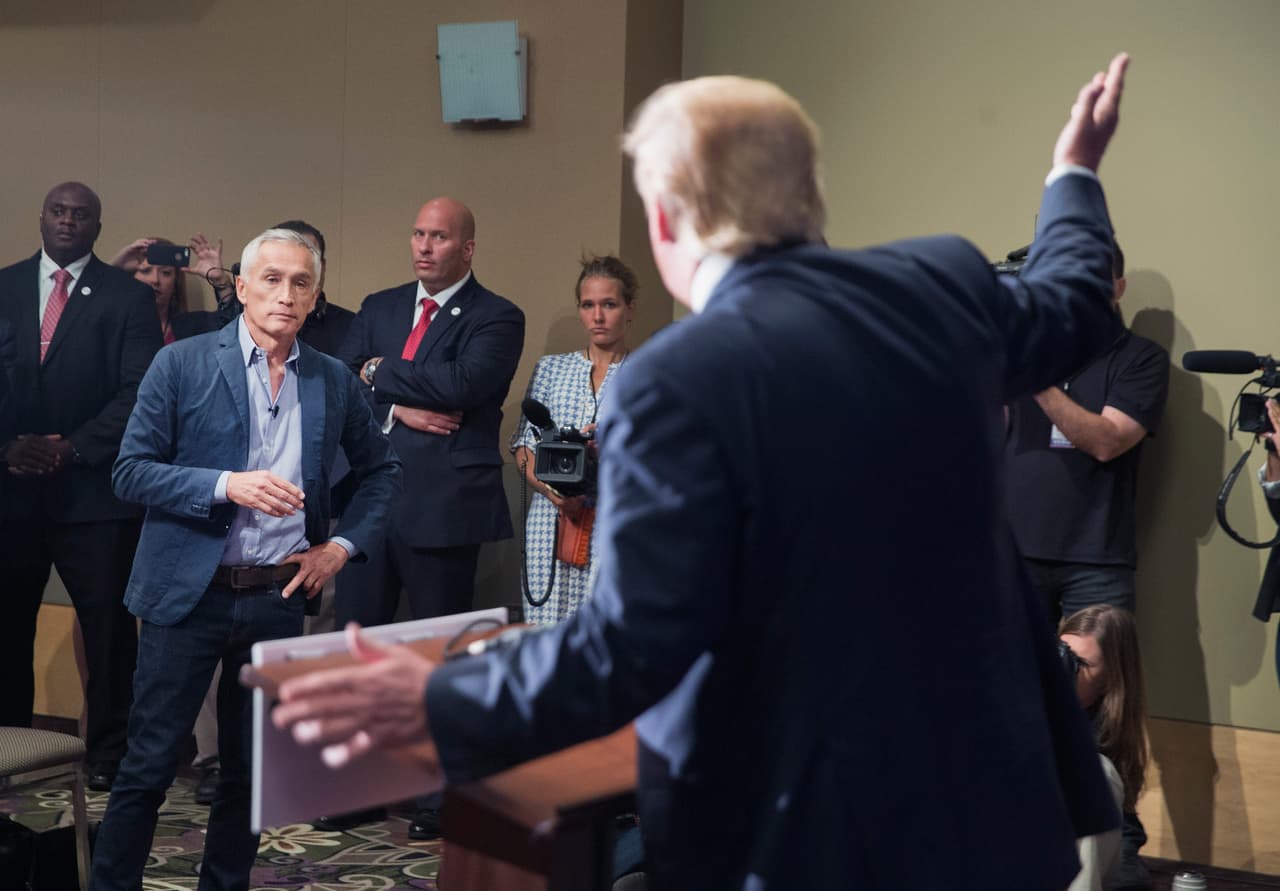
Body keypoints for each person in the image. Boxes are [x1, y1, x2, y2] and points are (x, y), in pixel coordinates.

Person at [272, 55, 1133, 889]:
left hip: (810, 829)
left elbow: (633, 647)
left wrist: (440, 695)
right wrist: (1073, 173)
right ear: (809, 195)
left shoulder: (674, 383)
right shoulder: (941, 282)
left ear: (665, 220)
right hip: (995, 800)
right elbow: (1080, 298)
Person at [89, 228, 402, 890]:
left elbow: (383, 472)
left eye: (300, 283)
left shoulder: (334, 380)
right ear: (241, 286)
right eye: (271, 279)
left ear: (315, 297)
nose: (285, 294)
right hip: (186, 594)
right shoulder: (184, 364)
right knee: (146, 767)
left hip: (275, 599)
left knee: (250, 775)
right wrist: (224, 483)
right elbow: (130, 471)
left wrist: (339, 547)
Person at [333, 196, 524, 838]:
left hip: (443, 507)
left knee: (437, 661)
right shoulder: (380, 306)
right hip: (368, 506)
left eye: (438, 236)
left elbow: (464, 386)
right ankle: (357, 789)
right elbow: (339, 380)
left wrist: (380, 373)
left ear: (466, 247)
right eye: (417, 233)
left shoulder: (497, 316)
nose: (423, 246)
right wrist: (397, 408)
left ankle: (438, 800)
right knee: (358, 648)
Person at [0, 181, 161, 793]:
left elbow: (139, 391)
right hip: (12, 491)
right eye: (58, 211)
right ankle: (9, 746)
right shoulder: (5, 284)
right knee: (7, 626)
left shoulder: (127, 297)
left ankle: (108, 753)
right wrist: (8, 447)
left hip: (94, 495)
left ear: (98, 226)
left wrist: (72, 447)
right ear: (41, 217)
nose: (68, 222)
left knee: (110, 632)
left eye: (81, 215)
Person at [1005, 242, 1170, 622]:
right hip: (1012, 552)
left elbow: (1107, 442)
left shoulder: (1140, 358)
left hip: (1095, 560)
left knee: (1101, 679)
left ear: (1117, 288)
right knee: (1013, 677)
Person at [511, 254, 637, 624]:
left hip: (613, 522)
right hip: (550, 522)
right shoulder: (551, 369)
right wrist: (553, 492)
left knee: (605, 632)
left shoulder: (646, 374)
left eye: (609, 305)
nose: (598, 316)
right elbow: (522, 448)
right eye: (588, 305)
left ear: (630, 309)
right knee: (543, 632)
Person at [1060, 605, 1150, 890]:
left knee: (1095, 773)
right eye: (1062, 654)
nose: (1066, 668)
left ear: (1109, 680)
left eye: (1082, 664)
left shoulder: (1103, 739)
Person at [111, 233, 233, 343]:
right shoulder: (114, 325)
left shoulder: (195, 327)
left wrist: (220, 280)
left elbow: (234, 328)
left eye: (166, 273)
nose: (155, 280)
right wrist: (115, 269)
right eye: (146, 270)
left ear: (175, 283)